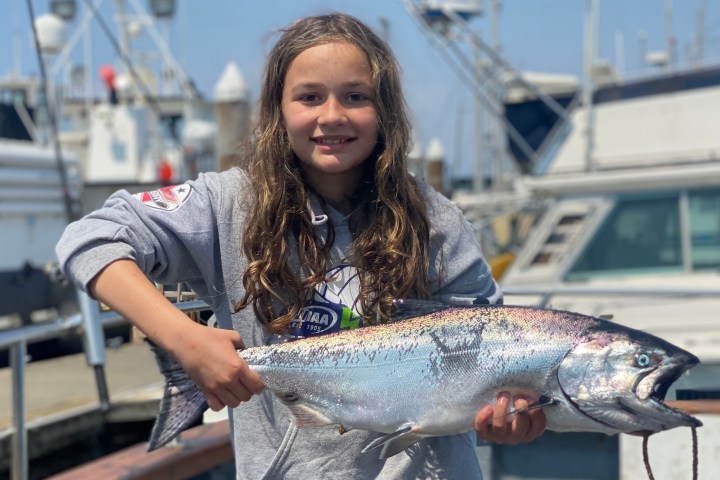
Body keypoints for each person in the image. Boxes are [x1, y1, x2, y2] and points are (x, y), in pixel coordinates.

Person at [56, 12, 545, 479]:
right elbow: (89, 238)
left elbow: (488, 351)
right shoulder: (227, 204)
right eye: (309, 97)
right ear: (278, 109)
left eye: (356, 96)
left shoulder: (437, 221)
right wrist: (185, 340)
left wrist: (513, 413)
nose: (332, 116)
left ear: (386, 111)